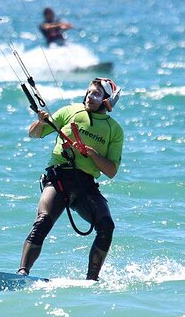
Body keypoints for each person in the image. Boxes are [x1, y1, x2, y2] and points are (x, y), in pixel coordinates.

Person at [18, 78, 124, 281]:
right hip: (59, 179)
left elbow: (111, 170)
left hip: (86, 186)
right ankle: (22, 273)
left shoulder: (114, 130)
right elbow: (34, 134)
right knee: (43, 220)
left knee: (106, 226)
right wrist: (40, 123)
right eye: (89, 92)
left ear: (107, 101)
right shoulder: (70, 111)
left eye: (96, 94)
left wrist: (92, 154)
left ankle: (91, 280)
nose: (89, 97)